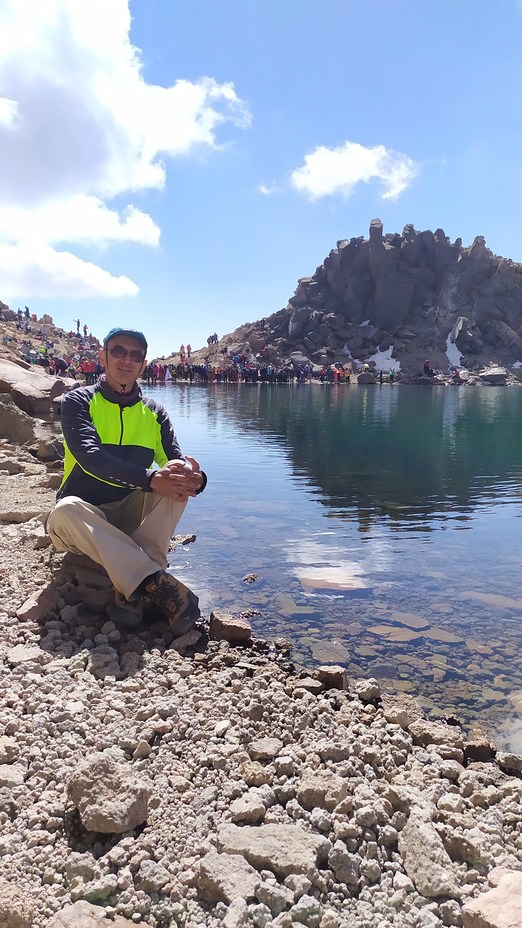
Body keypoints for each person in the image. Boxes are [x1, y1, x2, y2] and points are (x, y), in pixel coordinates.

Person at [46, 327, 207, 634]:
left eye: (135, 355)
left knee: (175, 484)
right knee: (65, 509)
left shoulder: (154, 412)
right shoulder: (77, 402)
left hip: (129, 515)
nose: (126, 360)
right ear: (102, 357)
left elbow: (174, 460)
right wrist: (150, 480)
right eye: (118, 351)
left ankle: (131, 588)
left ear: (143, 364)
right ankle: (154, 582)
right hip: (83, 521)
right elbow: (90, 457)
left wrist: (194, 479)